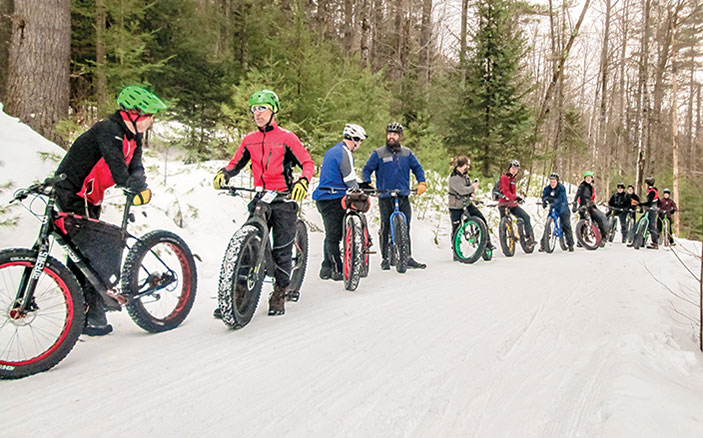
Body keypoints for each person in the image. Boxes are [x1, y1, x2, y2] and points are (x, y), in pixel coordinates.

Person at [53, 85, 164, 336]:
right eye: (148, 116)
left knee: (86, 253)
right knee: (86, 253)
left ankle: (90, 311)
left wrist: (140, 183)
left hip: (90, 198)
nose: (151, 121)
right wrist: (128, 183)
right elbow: (116, 165)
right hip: (73, 193)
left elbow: (136, 167)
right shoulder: (109, 130)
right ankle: (90, 313)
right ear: (133, 114)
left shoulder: (133, 137)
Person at [212, 89, 314, 316]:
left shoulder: (287, 138)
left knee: (282, 248)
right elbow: (234, 163)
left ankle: (280, 291)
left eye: (262, 108)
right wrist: (224, 174)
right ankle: (236, 296)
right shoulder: (250, 140)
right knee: (247, 244)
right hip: (260, 196)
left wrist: (302, 182)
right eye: (254, 109)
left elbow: (307, 163)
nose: (257, 114)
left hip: (283, 197)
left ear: (273, 111)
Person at [361, 122, 427, 270]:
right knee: (385, 226)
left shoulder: (407, 153)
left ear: (400, 137)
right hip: (385, 196)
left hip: (403, 195)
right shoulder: (378, 153)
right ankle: (385, 257)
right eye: (389, 134)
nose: (392, 136)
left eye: (395, 134)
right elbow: (366, 170)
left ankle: (407, 257)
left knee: (406, 226)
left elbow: (417, 168)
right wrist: (368, 183)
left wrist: (421, 182)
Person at [312, 123, 368, 281]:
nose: (359, 145)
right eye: (360, 141)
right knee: (334, 235)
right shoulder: (344, 152)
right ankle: (337, 269)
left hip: (324, 197)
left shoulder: (333, 150)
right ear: (355, 139)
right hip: (333, 198)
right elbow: (349, 180)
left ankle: (326, 267)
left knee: (331, 234)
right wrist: (360, 190)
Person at [448, 155, 495, 258]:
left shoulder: (465, 176)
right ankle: (456, 251)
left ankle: (486, 244)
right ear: (462, 165)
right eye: (467, 165)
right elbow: (462, 190)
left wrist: (472, 193)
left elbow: (468, 189)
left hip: (467, 203)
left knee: (481, 219)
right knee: (456, 228)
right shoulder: (454, 178)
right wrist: (472, 188)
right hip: (456, 206)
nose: (468, 167)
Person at [497, 159, 535, 249]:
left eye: (516, 169)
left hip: (512, 204)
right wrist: (515, 198)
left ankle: (529, 238)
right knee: (505, 225)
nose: (514, 170)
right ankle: (506, 244)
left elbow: (512, 193)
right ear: (509, 168)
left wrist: (517, 199)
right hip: (503, 204)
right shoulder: (504, 178)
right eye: (513, 168)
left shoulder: (513, 179)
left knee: (526, 217)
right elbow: (506, 191)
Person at [573, 170, 609, 245]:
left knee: (599, 219)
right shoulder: (582, 186)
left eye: (590, 178)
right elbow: (577, 195)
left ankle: (603, 237)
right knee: (583, 221)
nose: (588, 179)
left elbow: (591, 198)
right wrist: (574, 204)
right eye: (587, 178)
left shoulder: (591, 187)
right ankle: (580, 240)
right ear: (584, 178)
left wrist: (592, 204)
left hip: (590, 206)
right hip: (583, 206)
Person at [540, 172, 574, 251]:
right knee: (547, 226)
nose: (552, 183)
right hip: (553, 209)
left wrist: (553, 201)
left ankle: (570, 244)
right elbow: (544, 196)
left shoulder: (561, 188)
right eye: (551, 181)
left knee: (566, 225)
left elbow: (561, 198)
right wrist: (544, 201)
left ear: (557, 181)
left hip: (563, 209)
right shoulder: (547, 188)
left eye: (554, 181)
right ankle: (543, 245)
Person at [627, 176, 660, 249]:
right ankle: (635, 241)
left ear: (648, 184)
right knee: (638, 224)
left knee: (651, 226)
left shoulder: (652, 192)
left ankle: (655, 243)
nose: (645, 186)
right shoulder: (654, 191)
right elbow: (658, 201)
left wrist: (639, 204)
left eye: (646, 184)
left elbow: (649, 203)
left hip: (652, 212)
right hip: (649, 211)